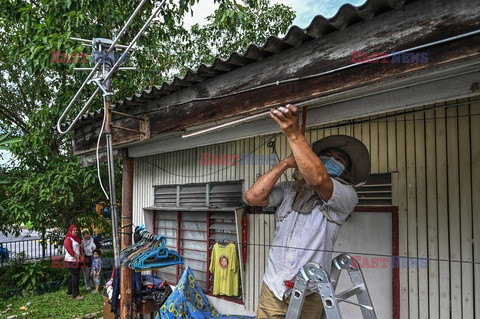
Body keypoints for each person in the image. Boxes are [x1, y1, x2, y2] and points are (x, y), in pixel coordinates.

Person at [245, 104, 370, 318]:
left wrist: (294, 135)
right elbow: (253, 197)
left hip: (310, 292)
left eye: (339, 160)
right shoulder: (290, 191)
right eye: (326, 156)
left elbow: (320, 180)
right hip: (273, 288)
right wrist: (285, 163)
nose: (332, 160)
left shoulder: (346, 195)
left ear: (346, 172)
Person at [64, 224, 84, 300]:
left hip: (77, 260)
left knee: (73, 276)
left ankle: (70, 291)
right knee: (75, 277)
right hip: (70, 260)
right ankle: (76, 294)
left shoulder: (78, 238)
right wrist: (76, 256)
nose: (75, 231)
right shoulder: (68, 238)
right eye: (74, 230)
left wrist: (81, 257)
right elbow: (69, 249)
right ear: (70, 231)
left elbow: (80, 248)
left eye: (76, 230)